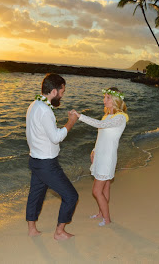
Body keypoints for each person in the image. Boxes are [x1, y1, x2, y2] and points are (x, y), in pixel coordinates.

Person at [25, 73, 79, 241]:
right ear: (54, 91)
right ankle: (59, 232)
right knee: (71, 196)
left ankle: (32, 229)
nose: (63, 95)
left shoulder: (34, 105)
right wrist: (71, 122)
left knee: (36, 195)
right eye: (62, 91)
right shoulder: (45, 110)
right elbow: (56, 137)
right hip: (47, 164)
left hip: (35, 160)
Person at [72, 87, 128, 226]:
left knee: (96, 191)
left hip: (107, 158)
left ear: (115, 100)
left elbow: (100, 124)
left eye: (108, 98)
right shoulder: (107, 116)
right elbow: (101, 135)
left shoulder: (120, 118)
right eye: (104, 97)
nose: (104, 100)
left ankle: (107, 219)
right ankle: (101, 213)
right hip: (101, 155)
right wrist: (94, 151)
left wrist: (80, 116)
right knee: (105, 187)